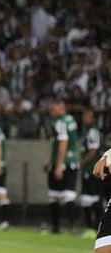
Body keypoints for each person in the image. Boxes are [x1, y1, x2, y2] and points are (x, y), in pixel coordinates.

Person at [45, 98, 79, 234]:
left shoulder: (61, 122)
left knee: (54, 195)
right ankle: (71, 226)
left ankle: (56, 227)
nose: (51, 111)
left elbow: (63, 144)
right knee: (68, 194)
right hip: (71, 162)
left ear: (61, 107)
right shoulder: (70, 120)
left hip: (63, 163)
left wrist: (58, 165)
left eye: (53, 108)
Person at [79, 107, 105, 237]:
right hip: (89, 169)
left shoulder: (92, 132)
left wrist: (82, 163)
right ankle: (92, 228)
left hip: (92, 170)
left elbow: (93, 151)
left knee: (92, 198)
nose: (85, 118)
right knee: (89, 199)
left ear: (93, 119)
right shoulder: (88, 131)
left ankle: (94, 228)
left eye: (88, 116)